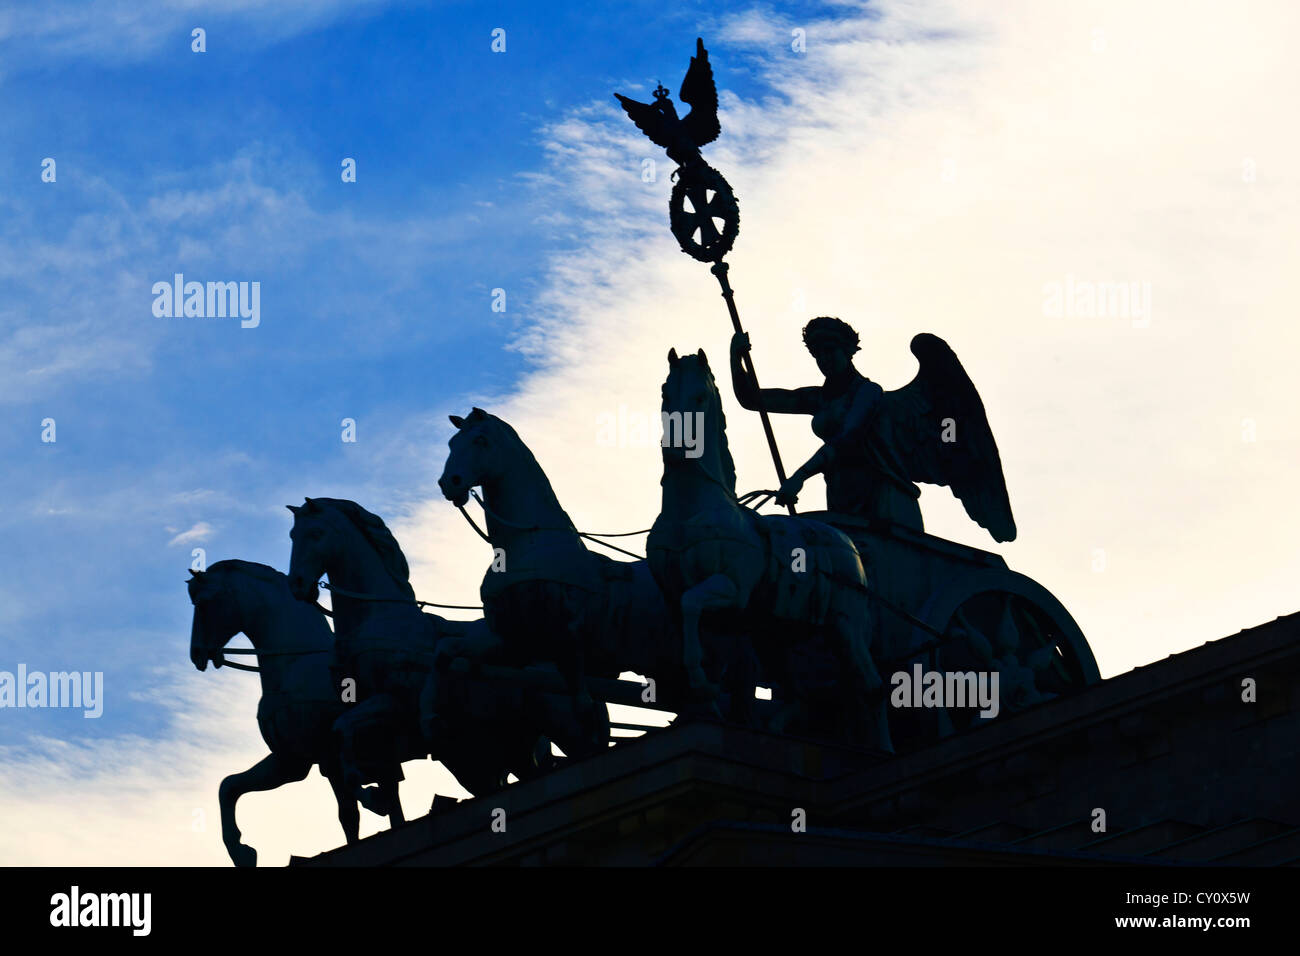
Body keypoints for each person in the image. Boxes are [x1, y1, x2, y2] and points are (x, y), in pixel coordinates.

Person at [729, 316, 924, 530]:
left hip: (883, 499)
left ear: (847, 351)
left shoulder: (869, 392)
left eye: (829, 350)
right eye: (817, 354)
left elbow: (846, 438)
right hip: (841, 493)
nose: (824, 359)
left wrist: (799, 477)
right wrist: (735, 358)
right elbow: (752, 399)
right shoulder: (819, 398)